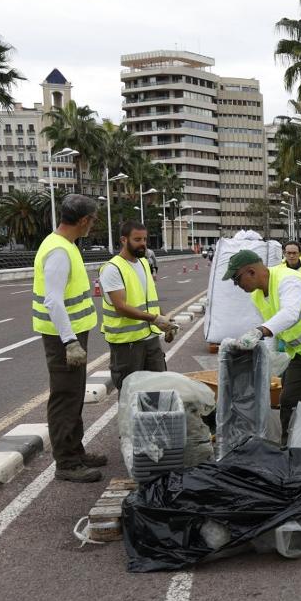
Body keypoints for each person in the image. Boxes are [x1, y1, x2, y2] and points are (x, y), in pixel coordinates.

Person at [222, 250, 301, 444]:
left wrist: (259, 331)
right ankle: (287, 448)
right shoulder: (257, 297)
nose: (237, 285)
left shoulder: (287, 279)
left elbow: (289, 314)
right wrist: (270, 357)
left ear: (251, 272)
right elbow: (275, 327)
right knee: (289, 399)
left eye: (237, 279)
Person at [32, 194, 106, 483]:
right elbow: (53, 301)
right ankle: (66, 463)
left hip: (72, 335)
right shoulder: (59, 251)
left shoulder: (67, 245)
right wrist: (69, 342)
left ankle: (76, 451)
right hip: (63, 338)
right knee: (65, 398)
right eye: (93, 220)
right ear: (84, 220)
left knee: (74, 395)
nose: (93, 225)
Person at [100, 220, 176, 391]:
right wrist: (155, 319)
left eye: (145, 239)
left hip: (151, 340)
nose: (143, 244)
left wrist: (165, 323)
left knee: (159, 389)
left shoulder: (143, 263)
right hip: (128, 344)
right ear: (123, 240)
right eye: (137, 239)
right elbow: (120, 306)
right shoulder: (113, 268)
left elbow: (151, 300)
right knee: (132, 393)